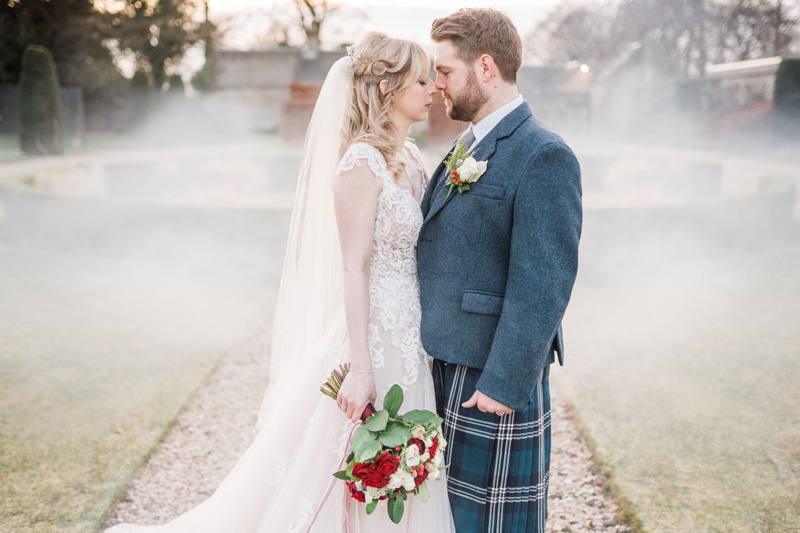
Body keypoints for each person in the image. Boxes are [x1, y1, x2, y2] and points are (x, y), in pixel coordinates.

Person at [105, 32, 455, 532]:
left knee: (408, 459)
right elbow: (353, 268)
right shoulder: (360, 164)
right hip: (372, 337)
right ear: (385, 88)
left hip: (412, 338)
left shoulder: (415, 158)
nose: (432, 88)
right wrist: (360, 368)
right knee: (350, 465)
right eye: (420, 79)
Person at [418, 8, 583, 533]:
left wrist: (503, 385)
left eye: (445, 70)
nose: (436, 84)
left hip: (489, 380)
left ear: (485, 66)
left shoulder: (544, 154)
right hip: (445, 365)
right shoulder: (465, 145)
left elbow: (545, 283)